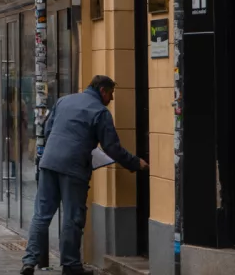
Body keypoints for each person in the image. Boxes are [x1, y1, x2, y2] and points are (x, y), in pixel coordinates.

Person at [21, 75, 147, 275]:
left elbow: (47, 128)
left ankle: (29, 261)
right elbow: (112, 147)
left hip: (49, 163)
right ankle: (70, 266)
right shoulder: (100, 112)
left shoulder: (65, 100)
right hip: (73, 168)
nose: (111, 99)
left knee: (41, 215)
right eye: (111, 94)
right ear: (103, 91)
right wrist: (135, 163)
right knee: (72, 217)